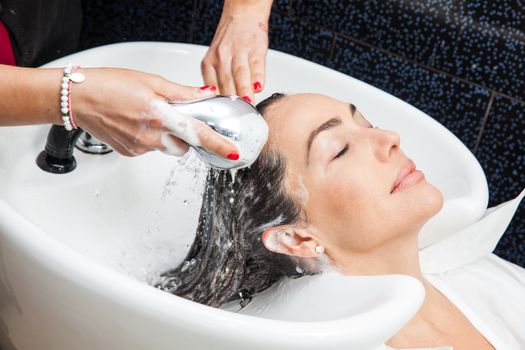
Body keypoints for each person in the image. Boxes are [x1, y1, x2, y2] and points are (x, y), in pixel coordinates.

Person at [157, 93, 525, 349]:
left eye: (366, 123)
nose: (389, 138)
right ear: (296, 239)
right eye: (341, 150)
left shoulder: (480, 274)